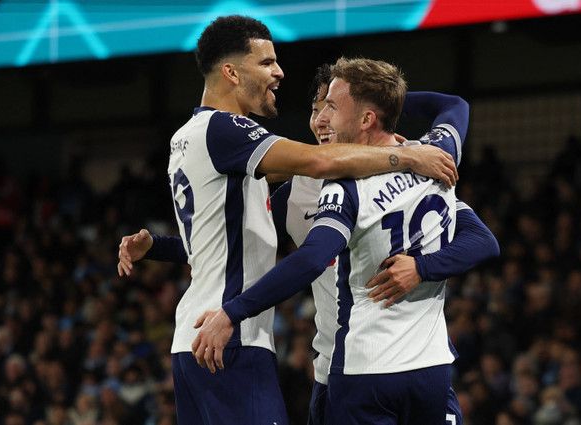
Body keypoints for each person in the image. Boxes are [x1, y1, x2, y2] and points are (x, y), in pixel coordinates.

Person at [117, 15, 458, 425]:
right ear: (230, 72)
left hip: (193, 337)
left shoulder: (187, 136)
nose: (279, 72)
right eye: (266, 63)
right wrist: (407, 155)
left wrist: (155, 246)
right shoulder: (227, 129)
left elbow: (217, 241)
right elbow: (316, 161)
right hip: (229, 336)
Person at [191, 57, 499, 425]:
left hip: (362, 369)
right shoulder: (436, 156)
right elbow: (454, 106)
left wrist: (232, 312)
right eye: (316, 108)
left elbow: (311, 258)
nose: (323, 118)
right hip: (426, 368)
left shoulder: (344, 185)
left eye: (333, 107)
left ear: (367, 118)